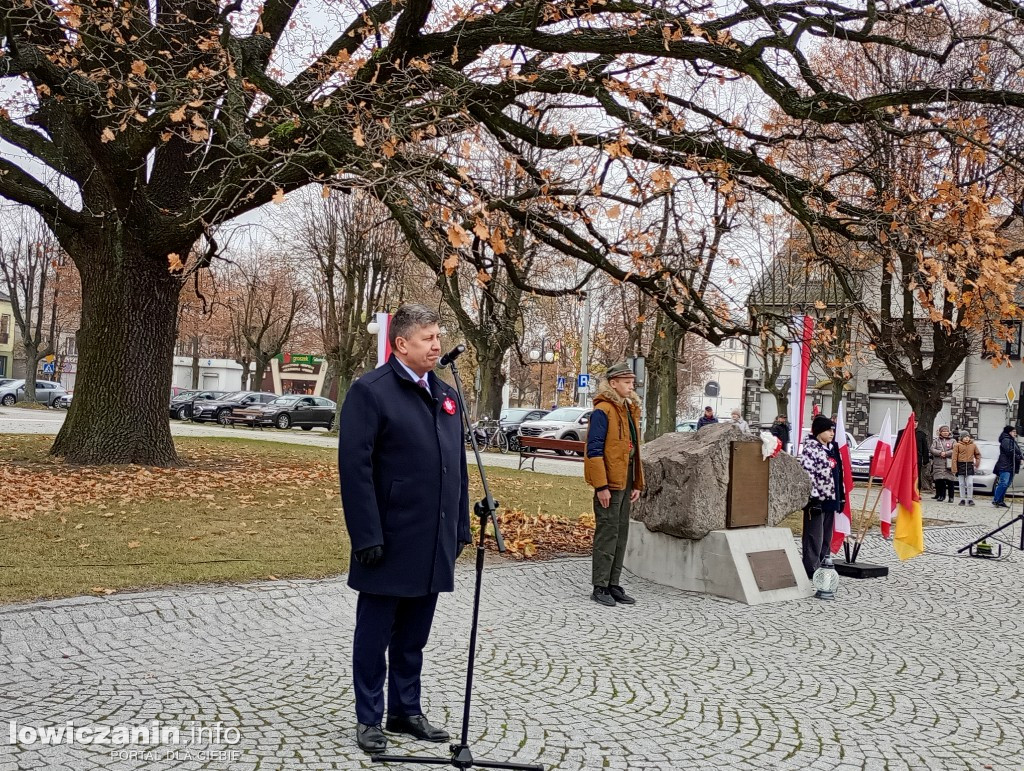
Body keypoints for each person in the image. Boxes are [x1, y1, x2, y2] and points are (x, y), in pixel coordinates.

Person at [338, 303, 472, 755]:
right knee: (375, 635)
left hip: (433, 535)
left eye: (438, 336)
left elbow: (456, 464)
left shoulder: (445, 392)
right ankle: (369, 718)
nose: (437, 345)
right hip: (389, 538)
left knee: (415, 633)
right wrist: (367, 536)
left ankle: (405, 710)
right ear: (401, 345)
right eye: (427, 338)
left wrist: (460, 527)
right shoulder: (370, 392)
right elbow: (354, 470)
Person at [584, 362, 644, 607]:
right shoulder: (603, 411)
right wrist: (601, 486)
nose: (631, 386)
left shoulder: (628, 409)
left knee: (620, 533)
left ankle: (613, 583)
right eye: (627, 382)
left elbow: (634, 450)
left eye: (632, 382)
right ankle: (600, 585)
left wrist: (637, 482)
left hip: (625, 479)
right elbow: (594, 449)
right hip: (609, 482)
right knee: (607, 532)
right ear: (613, 383)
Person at [799, 415, 845, 579]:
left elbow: (839, 474)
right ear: (819, 432)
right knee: (814, 536)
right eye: (828, 430)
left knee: (826, 536)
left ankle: (824, 564)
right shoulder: (810, 450)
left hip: (830, 499)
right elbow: (808, 476)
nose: (832, 433)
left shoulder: (832, 449)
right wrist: (814, 498)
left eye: (832, 430)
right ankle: (811, 567)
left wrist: (841, 497)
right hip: (816, 501)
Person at [992, 425, 1023, 508]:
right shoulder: (1006, 440)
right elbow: (1009, 452)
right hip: (1005, 465)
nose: (1015, 434)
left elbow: (1018, 451)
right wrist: (1019, 459)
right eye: (1014, 432)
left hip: (1011, 465)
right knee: (1003, 483)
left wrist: (1021, 457)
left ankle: (1000, 500)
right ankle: (996, 500)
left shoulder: (1012, 440)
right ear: (1009, 432)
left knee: (1007, 483)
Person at [951, 432, 982, 507]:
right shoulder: (957, 445)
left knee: (970, 483)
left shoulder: (973, 445)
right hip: (960, 465)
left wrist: (977, 463)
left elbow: (977, 455)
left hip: (969, 465)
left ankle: (970, 498)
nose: (966, 438)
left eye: (968, 436)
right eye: (965, 437)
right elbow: (954, 457)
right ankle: (962, 499)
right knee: (961, 483)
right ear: (961, 438)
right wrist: (954, 468)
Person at [930, 426, 957, 503]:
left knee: (950, 481)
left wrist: (946, 453)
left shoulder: (953, 440)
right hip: (938, 463)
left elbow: (955, 449)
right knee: (940, 480)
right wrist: (940, 453)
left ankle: (951, 497)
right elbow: (932, 449)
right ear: (940, 432)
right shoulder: (936, 440)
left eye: (947, 431)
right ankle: (942, 495)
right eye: (943, 431)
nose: (945, 433)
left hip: (949, 463)